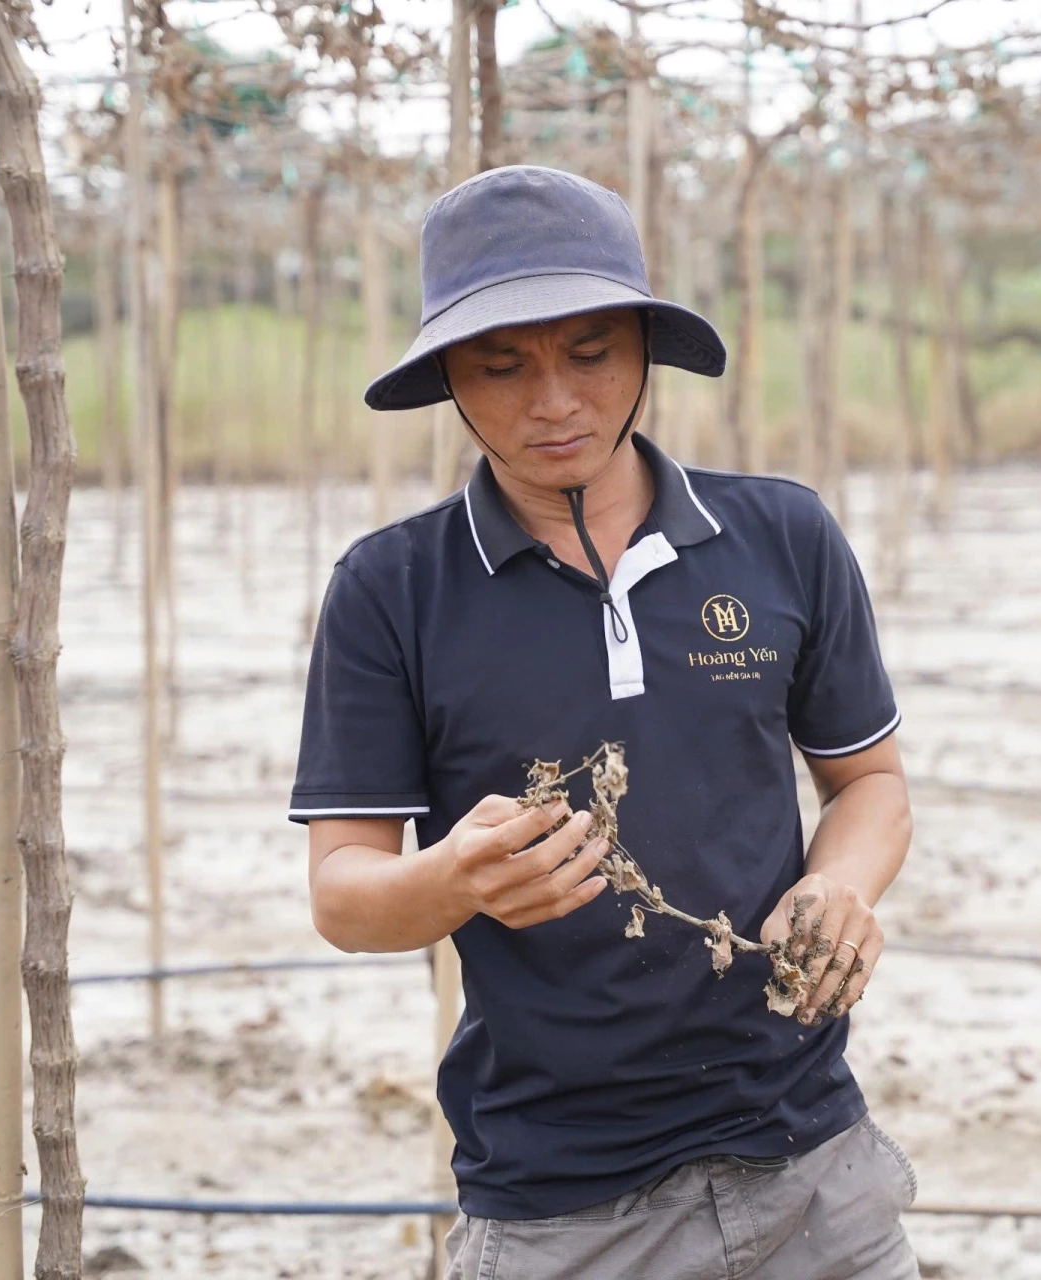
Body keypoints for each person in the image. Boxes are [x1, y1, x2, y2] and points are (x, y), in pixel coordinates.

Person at [291, 164, 918, 1279]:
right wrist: (455, 880)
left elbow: (868, 780)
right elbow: (344, 893)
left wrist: (841, 886)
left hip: (814, 1168)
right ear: (447, 376)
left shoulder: (782, 536)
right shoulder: (392, 590)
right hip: (562, 1207)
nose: (554, 401)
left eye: (590, 352)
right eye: (501, 364)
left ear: (642, 351)